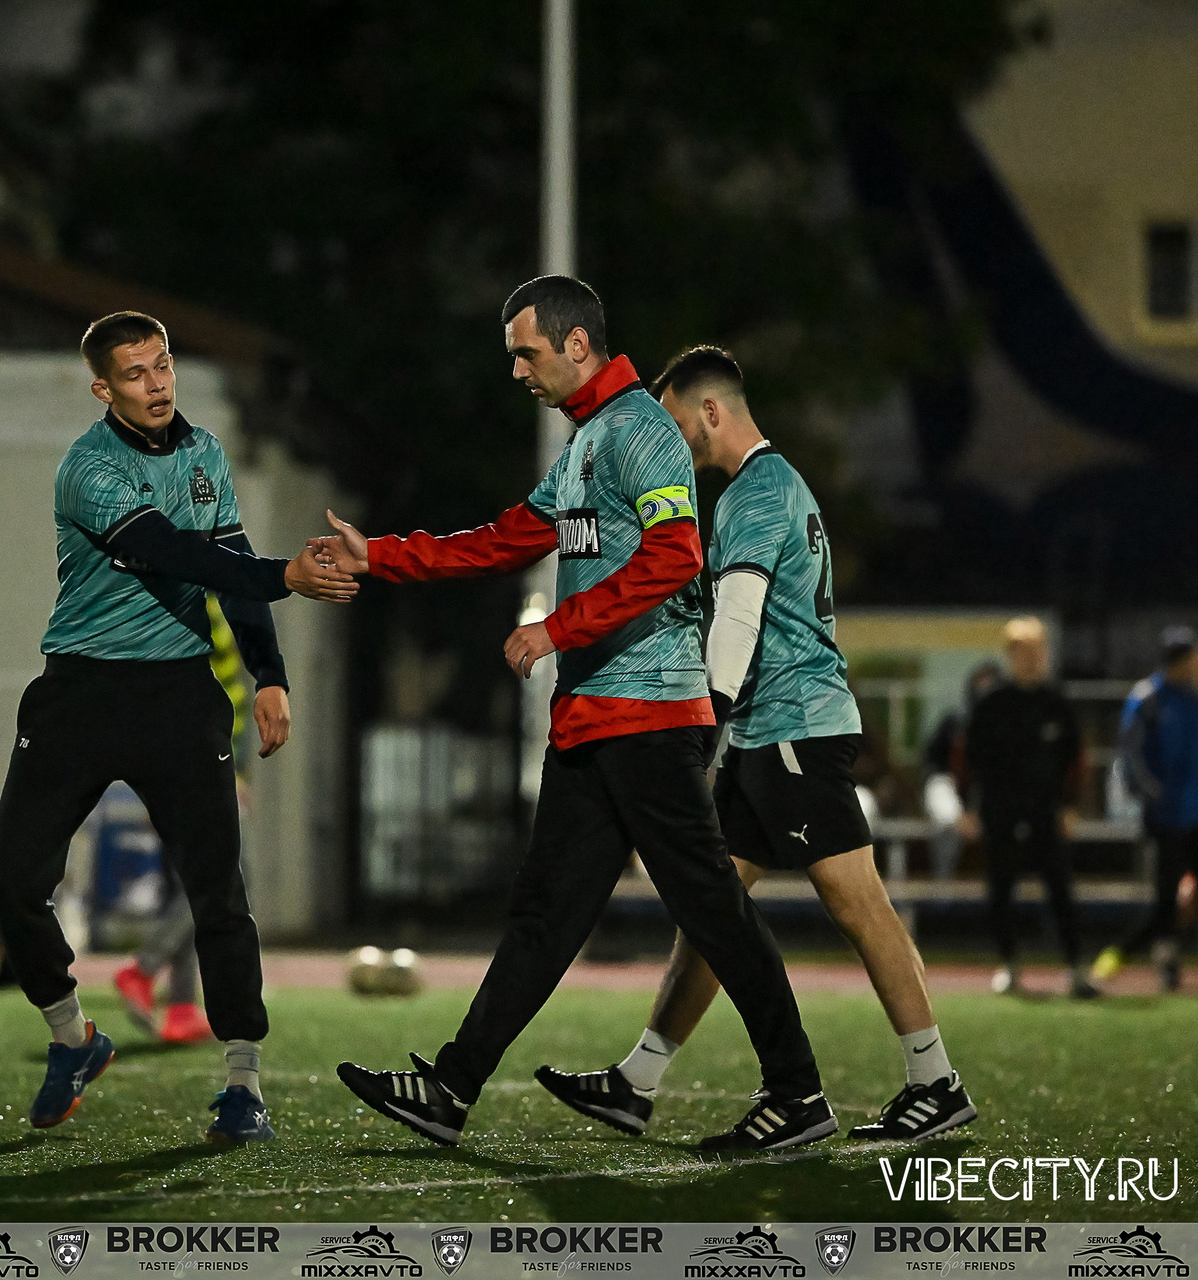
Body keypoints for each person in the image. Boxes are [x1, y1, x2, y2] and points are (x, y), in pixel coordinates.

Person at [324, 278, 833, 1153]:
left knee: (711, 909)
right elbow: (501, 541)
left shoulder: (641, 432)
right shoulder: (586, 444)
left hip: (651, 717)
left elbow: (675, 558)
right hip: (595, 722)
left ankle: (798, 1094)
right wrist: (382, 556)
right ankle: (450, 1090)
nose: (517, 370)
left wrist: (557, 628)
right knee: (546, 914)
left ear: (577, 345)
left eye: (526, 352)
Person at [535, 346, 976, 1143]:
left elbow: (738, 620)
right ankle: (639, 1079)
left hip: (792, 730)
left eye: (677, 423)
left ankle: (933, 1080)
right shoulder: (773, 486)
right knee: (713, 911)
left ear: (712, 411)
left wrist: (698, 730)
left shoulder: (753, 493)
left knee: (858, 906)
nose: (672, 443)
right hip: (771, 732)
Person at [0, 310, 356, 1147]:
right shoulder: (87, 469)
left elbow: (229, 566)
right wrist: (287, 576)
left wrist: (269, 674)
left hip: (178, 695)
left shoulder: (205, 455)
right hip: (79, 692)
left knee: (219, 892)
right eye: (135, 374)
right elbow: (175, 553)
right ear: (103, 389)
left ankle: (243, 1084)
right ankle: (72, 1037)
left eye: (162, 366)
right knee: (12, 881)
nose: (155, 385)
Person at [114, 601, 251, 1046]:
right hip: (199, 761)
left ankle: (181, 1006)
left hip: (188, 759)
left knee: (190, 881)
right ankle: (143, 969)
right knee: (217, 881)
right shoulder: (198, 603)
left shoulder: (176, 600)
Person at [958, 616, 1092, 997]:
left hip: (1046, 811)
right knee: (1000, 891)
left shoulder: (1056, 703)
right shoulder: (991, 703)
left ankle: (1076, 968)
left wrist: (1070, 805)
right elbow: (967, 759)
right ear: (1011, 654)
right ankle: (1009, 965)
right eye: (1025, 651)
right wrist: (967, 806)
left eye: (1039, 650)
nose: (1034, 658)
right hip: (1000, 811)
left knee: (1061, 890)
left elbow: (1075, 760)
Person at [1096, 625, 1198, 991]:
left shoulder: (1193, 697)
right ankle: (1134, 957)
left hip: (1195, 812)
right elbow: (1132, 757)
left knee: (1171, 900)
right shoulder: (1148, 698)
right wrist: (1157, 796)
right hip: (1166, 817)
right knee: (1165, 898)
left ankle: (1129, 955)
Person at [922, 663, 1002, 880]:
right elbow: (931, 765)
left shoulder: (1009, 730)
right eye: (980, 690)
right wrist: (960, 815)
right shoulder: (954, 723)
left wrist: (978, 810)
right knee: (939, 787)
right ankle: (943, 879)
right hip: (955, 796)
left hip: (993, 801)